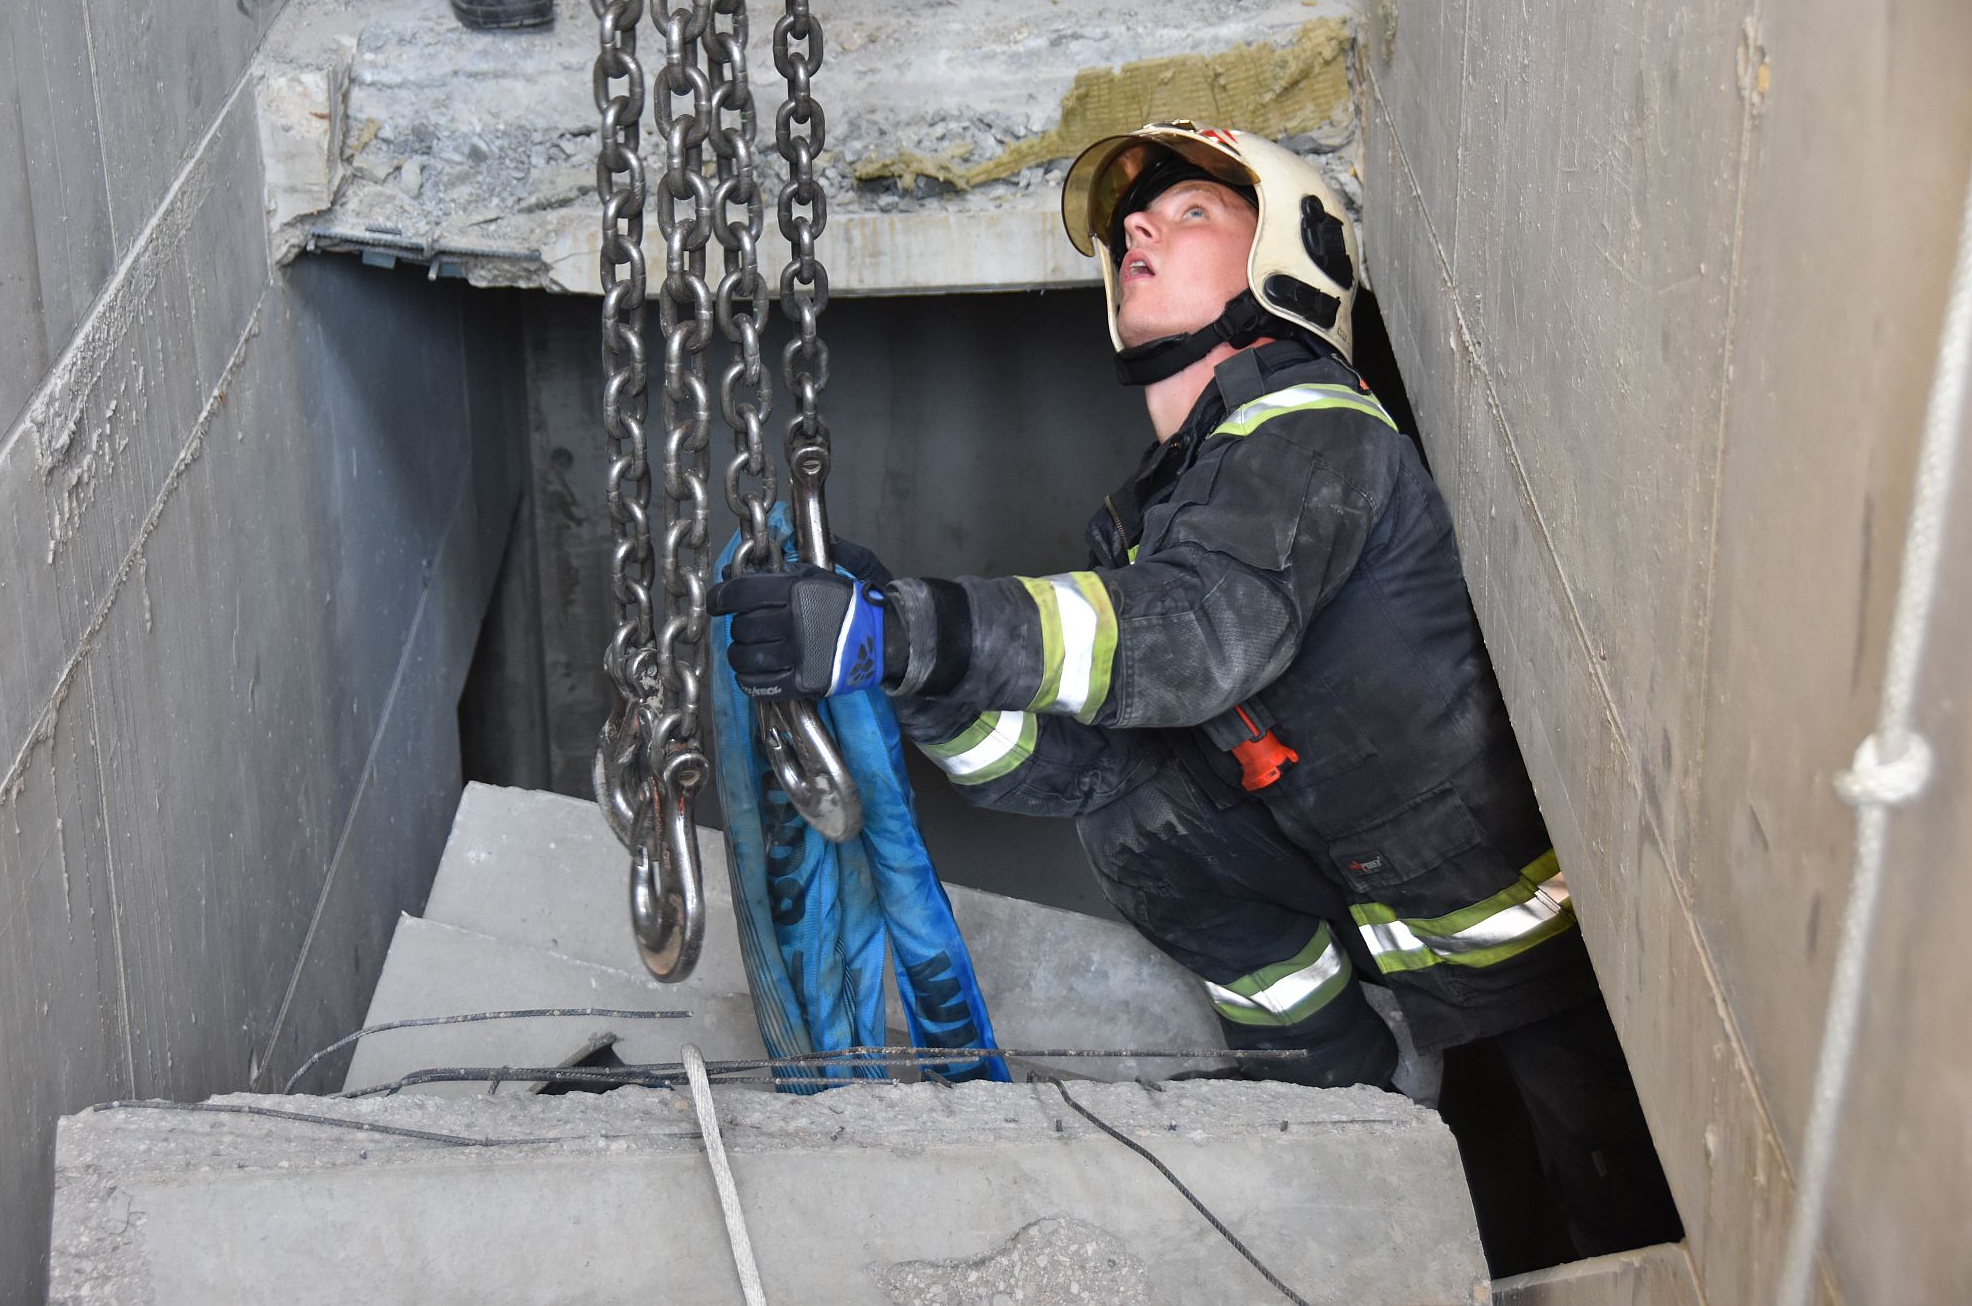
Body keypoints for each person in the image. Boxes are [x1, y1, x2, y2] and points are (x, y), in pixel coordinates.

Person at [714, 120, 1681, 1256]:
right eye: (1140, 215)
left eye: (1189, 212)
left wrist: (909, 629)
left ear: (1285, 260)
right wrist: (901, 678)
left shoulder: (1314, 428)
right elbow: (1092, 766)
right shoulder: (1164, 511)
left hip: (1543, 964)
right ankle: (1318, 1095)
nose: (1136, 224)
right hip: (1408, 948)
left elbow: (1191, 643)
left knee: (1620, 1234)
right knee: (1132, 820)